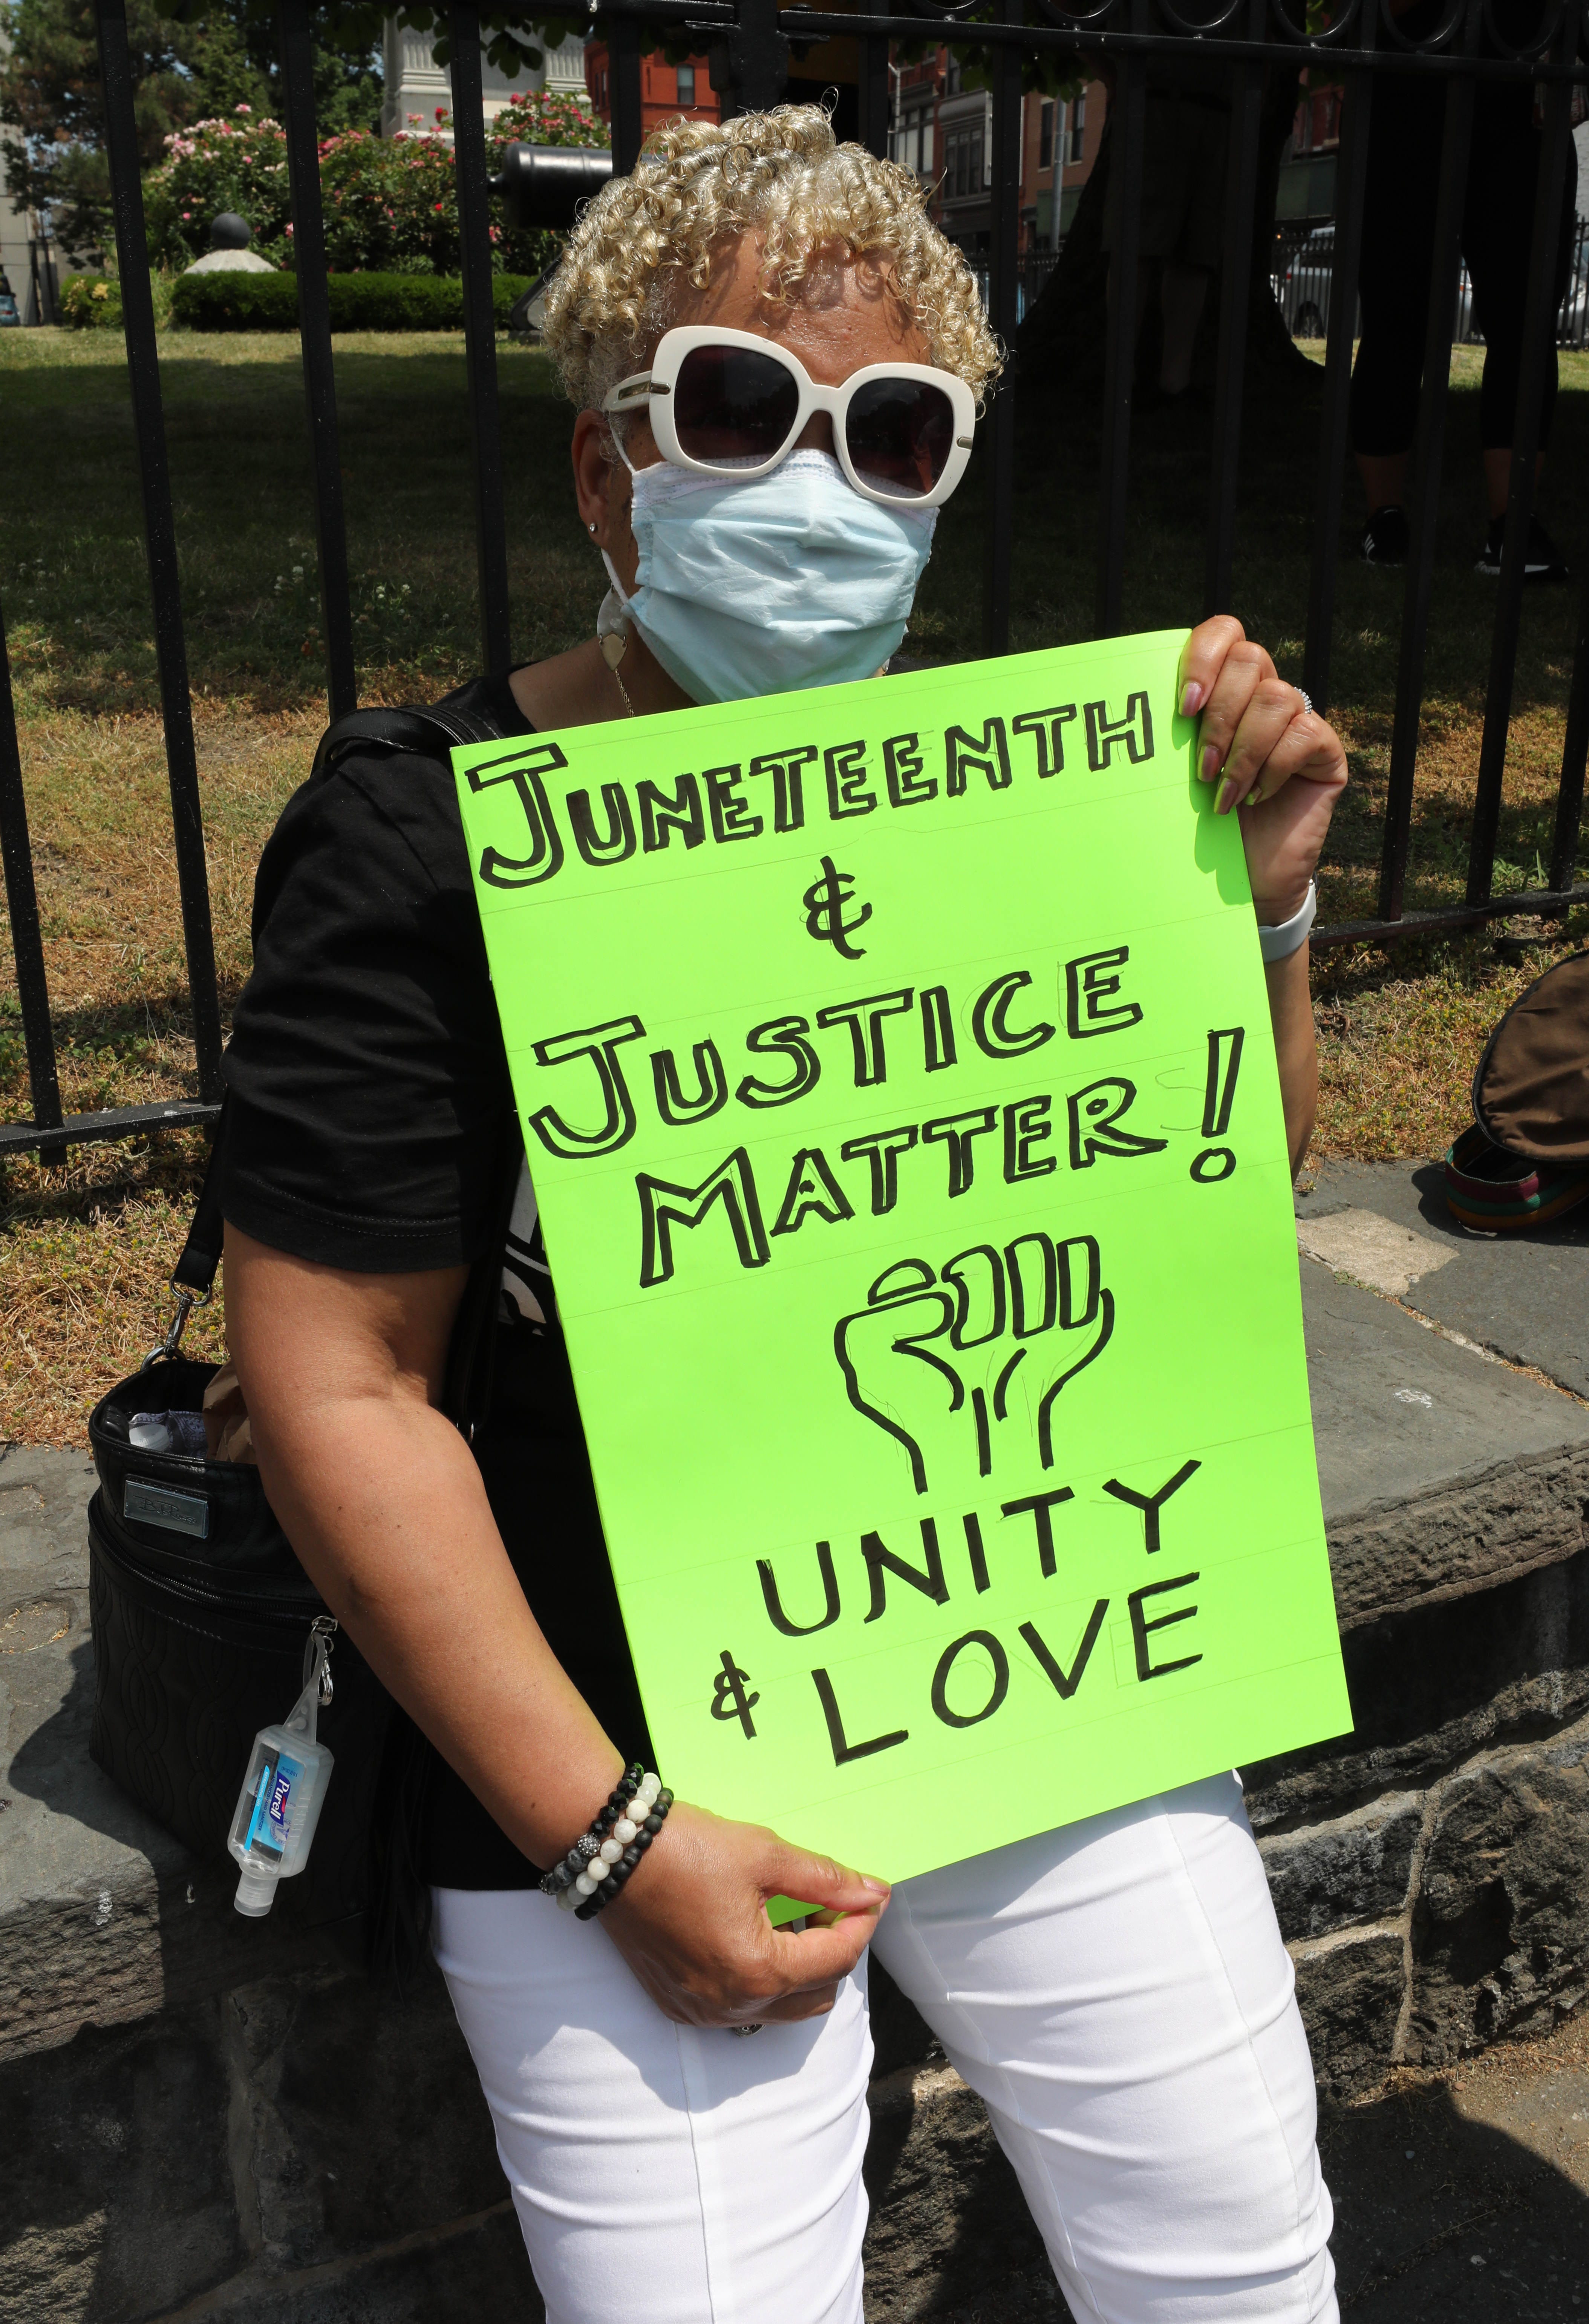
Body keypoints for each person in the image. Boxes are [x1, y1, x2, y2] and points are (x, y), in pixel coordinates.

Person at [218, 106, 1349, 2324]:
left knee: (1236, 2259)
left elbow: (1192, 1205)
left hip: (1035, 1654)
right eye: (741, 407)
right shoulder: (421, 838)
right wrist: (607, 1834)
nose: (817, 484)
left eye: (892, 432)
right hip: (618, 1734)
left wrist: (1272, 918)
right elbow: (339, 1377)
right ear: (607, 469)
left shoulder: (1007, 806)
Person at [1350, 0, 1577, 582]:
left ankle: (1512, 525)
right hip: (1410, 88)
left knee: (1526, 323)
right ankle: (1384, 517)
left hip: (1523, 97)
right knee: (1396, 316)